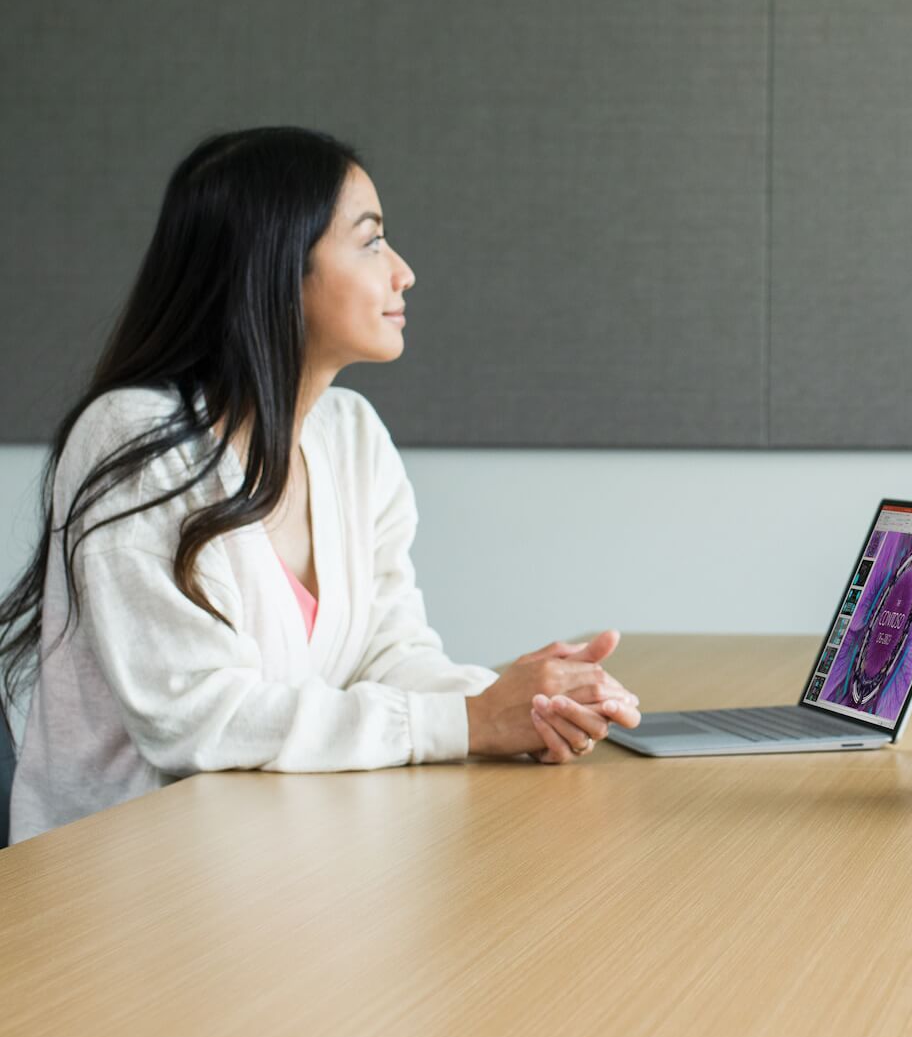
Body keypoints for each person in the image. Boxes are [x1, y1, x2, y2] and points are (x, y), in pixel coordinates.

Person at [1, 127, 642, 843]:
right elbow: (198, 719)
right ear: (276, 266)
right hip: (122, 886)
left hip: (276, 855)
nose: (403, 272)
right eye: (370, 242)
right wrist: (468, 720)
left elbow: (388, 654)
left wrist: (518, 703)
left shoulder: (351, 435)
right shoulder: (135, 439)